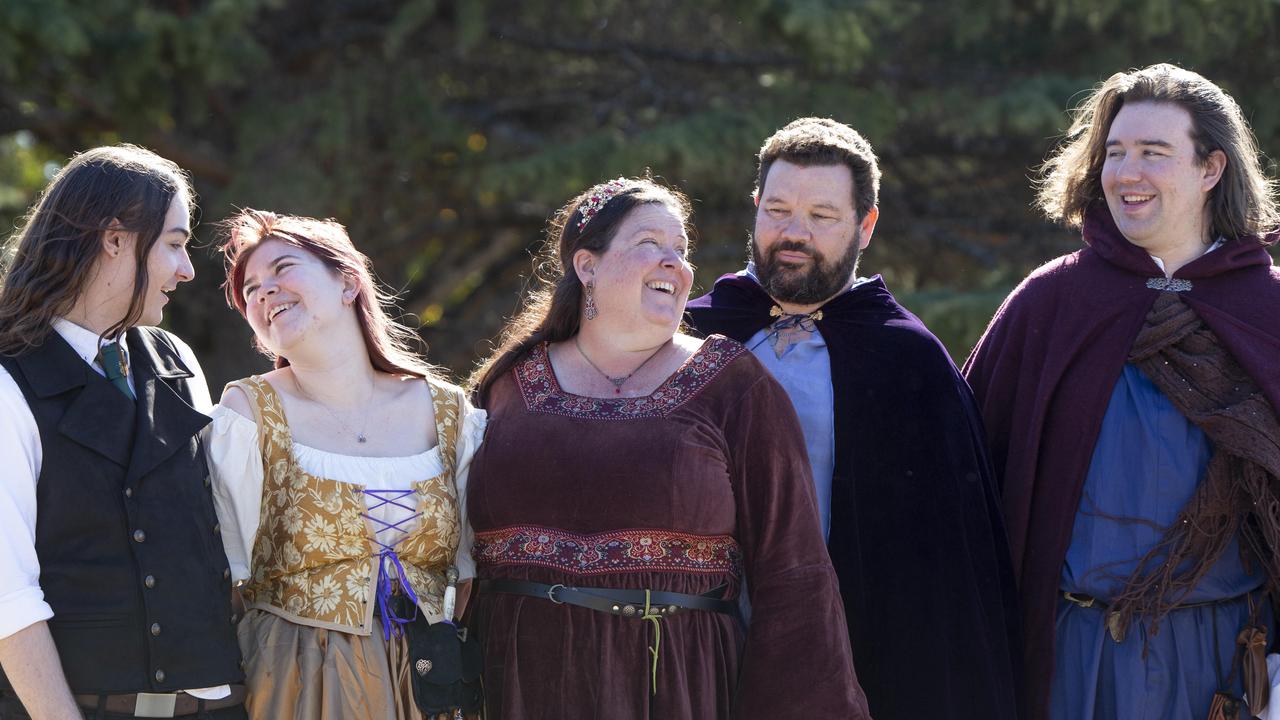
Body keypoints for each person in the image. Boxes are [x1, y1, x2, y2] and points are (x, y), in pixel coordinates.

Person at [465, 176, 867, 719]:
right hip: (520, 680)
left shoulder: (732, 384)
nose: (674, 264)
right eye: (649, 244)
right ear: (587, 267)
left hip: (674, 684)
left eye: (680, 250)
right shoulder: (508, 386)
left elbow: (793, 573)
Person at [964, 63, 1280, 720]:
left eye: (1152, 153)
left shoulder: (1267, 311)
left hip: (1226, 660)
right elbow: (968, 484)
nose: (1125, 172)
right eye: (1114, 152)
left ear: (1211, 169)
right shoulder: (1052, 303)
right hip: (1070, 657)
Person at [685, 117, 1021, 720]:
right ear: (755, 208)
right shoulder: (690, 334)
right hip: (694, 646)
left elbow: (947, 569)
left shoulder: (906, 360)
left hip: (849, 655)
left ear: (866, 226)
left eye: (822, 216)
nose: (795, 233)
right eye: (779, 210)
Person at [208, 210, 485, 720]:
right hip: (292, 681)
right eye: (249, 290)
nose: (263, 292)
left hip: (428, 683)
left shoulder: (449, 413)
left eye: (282, 269)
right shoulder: (246, 414)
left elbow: (470, 574)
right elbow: (222, 579)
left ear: (348, 283)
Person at [0, 145, 245, 718]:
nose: (187, 270)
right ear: (115, 239)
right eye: (176, 245)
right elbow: (8, 598)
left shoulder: (176, 357)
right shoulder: (9, 383)